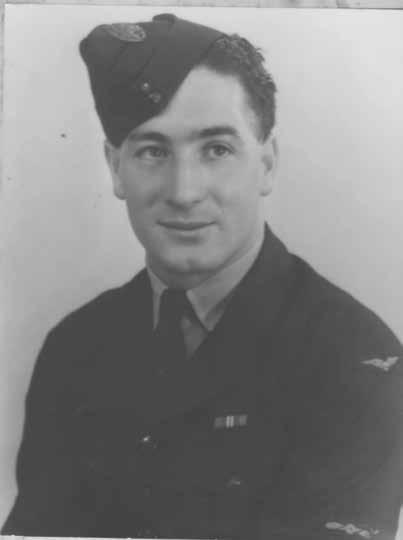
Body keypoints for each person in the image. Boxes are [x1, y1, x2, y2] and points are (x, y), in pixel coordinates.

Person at [2, 13, 403, 540]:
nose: (184, 191)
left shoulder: (356, 360)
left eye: (217, 149)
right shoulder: (74, 349)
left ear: (267, 163)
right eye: (152, 151)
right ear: (116, 168)